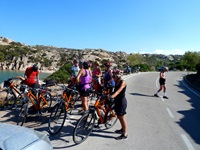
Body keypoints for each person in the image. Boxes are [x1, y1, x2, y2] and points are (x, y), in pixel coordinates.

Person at [109, 69, 128, 140]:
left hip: (121, 101)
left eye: (115, 75)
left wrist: (111, 97)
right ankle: (122, 129)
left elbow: (118, 92)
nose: (114, 77)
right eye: (113, 75)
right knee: (119, 116)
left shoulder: (123, 82)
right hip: (116, 100)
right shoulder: (116, 81)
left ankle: (125, 134)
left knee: (122, 117)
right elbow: (111, 85)